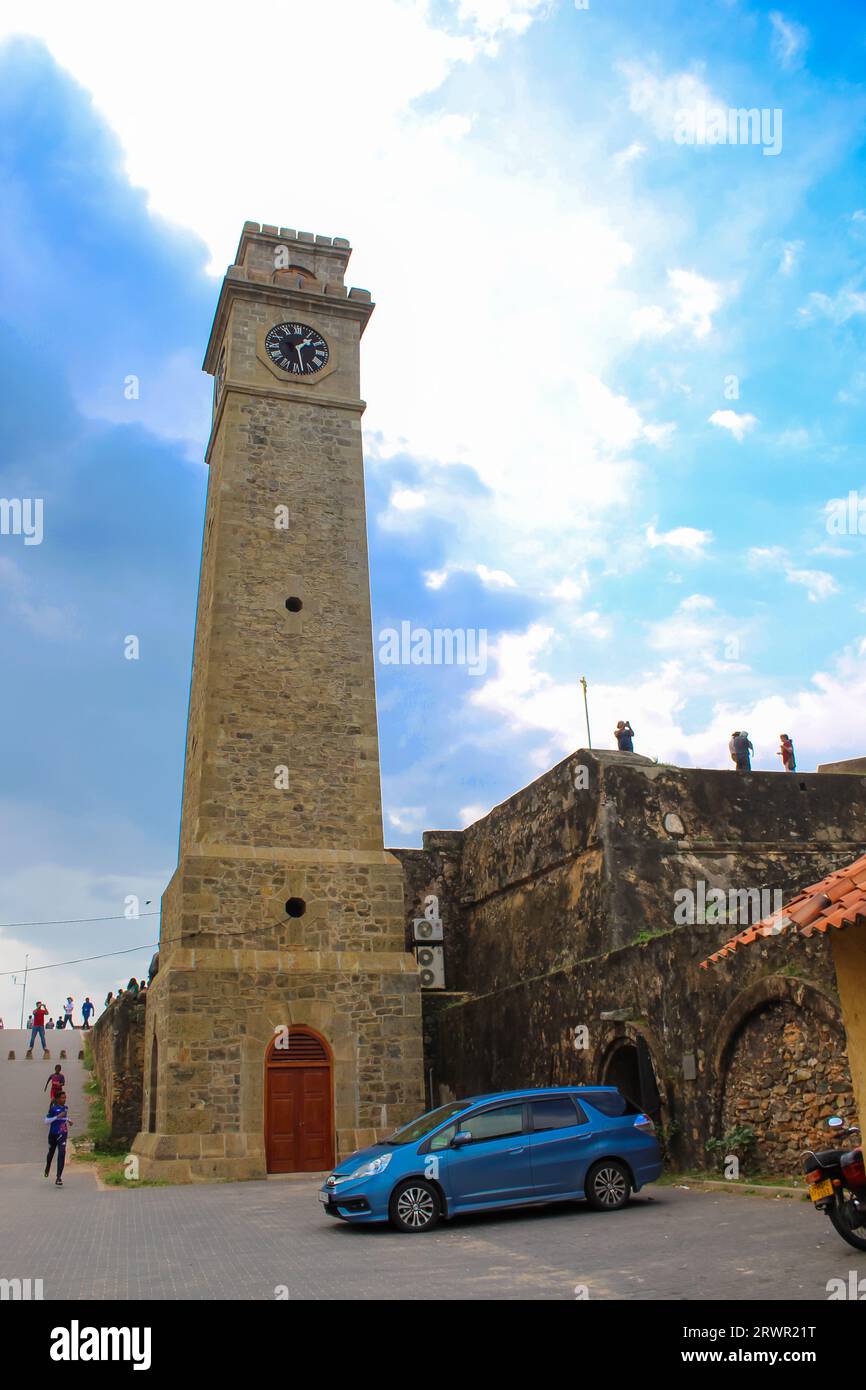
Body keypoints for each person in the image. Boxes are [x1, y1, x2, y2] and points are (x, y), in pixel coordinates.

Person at [43, 1090, 72, 1186]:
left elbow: (63, 1118)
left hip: (63, 1134)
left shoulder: (65, 1108)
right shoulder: (53, 1109)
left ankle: (58, 1177)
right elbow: (46, 1121)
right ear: (57, 1099)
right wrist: (56, 1117)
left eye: (65, 1098)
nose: (64, 1099)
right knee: (51, 1153)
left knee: (62, 1153)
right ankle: (48, 1166)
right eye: (62, 1098)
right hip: (53, 1134)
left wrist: (68, 1120)